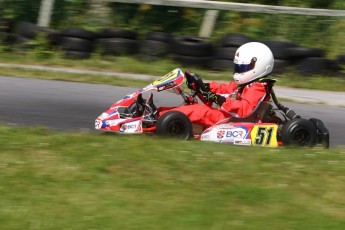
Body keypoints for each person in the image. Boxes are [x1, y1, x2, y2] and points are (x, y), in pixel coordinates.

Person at [163, 41, 275, 128]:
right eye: (238, 67)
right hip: (231, 118)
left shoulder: (258, 87)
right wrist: (205, 86)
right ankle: (158, 113)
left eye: (242, 67)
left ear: (259, 66)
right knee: (193, 107)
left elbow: (244, 109)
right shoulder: (245, 84)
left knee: (201, 111)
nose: (238, 71)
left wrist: (219, 99)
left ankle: (162, 118)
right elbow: (226, 89)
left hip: (238, 122)